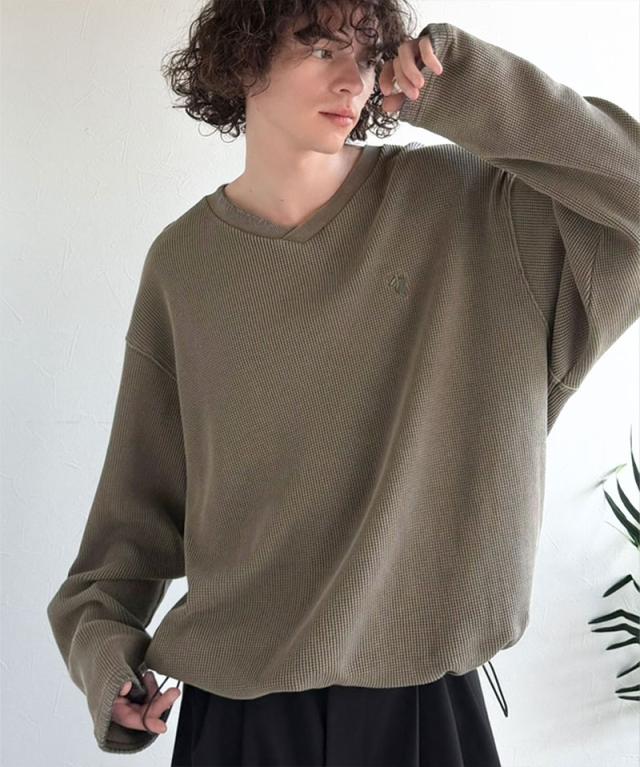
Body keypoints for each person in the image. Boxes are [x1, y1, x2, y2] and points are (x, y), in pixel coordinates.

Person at [46, 0, 640, 765]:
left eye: (366, 51)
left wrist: (466, 82)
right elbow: (130, 524)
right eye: (321, 48)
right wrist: (108, 662)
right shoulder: (184, 266)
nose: (352, 78)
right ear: (244, 56)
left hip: (425, 712)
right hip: (237, 721)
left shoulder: (477, 213)